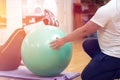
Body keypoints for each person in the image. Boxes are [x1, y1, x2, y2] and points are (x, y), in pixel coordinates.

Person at [50, 0, 120, 80]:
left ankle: (112, 70)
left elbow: (84, 31)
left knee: (87, 76)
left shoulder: (108, 9)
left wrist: (63, 40)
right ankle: (102, 67)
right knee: (88, 44)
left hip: (115, 55)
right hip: (114, 50)